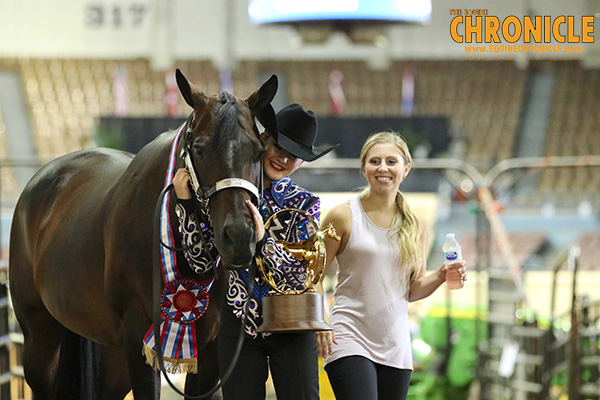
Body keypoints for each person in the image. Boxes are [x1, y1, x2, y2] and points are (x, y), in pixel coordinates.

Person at [173, 103, 337, 400]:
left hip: (292, 324)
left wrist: (262, 240)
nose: (284, 158)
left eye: (295, 155)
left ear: (303, 162)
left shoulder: (304, 204)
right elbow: (199, 262)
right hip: (239, 325)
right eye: (279, 147)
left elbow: (299, 277)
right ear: (263, 141)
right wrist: (185, 205)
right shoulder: (224, 198)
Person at [316, 131, 467, 400]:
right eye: (374, 161)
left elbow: (411, 290)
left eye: (391, 161)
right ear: (364, 168)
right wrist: (322, 322)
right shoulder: (342, 216)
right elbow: (312, 276)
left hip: (395, 345)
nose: (382, 168)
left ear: (405, 169)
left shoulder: (417, 224)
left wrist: (443, 275)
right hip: (348, 337)